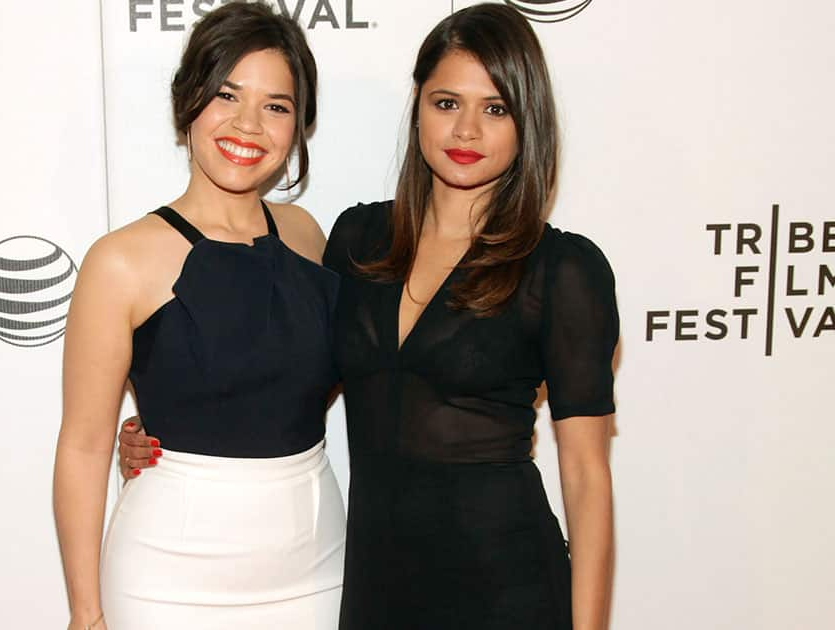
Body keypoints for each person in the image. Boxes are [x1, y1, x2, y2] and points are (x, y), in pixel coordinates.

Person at [120, 4, 617, 629]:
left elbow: (586, 474)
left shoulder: (562, 269)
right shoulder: (360, 240)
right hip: (374, 586)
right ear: (417, 105)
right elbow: (293, 374)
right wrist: (174, 417)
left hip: (506, 584)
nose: (466, 131)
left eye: (495, 108)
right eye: (446, 103)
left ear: (527, 121)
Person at [52, 4, 345, 630]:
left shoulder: (307, 237)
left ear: (298, 126)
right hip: (168, 577)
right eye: (226, 95)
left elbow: (313, 377)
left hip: (317, 566)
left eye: (277, 105)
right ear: (188, 103)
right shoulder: (120, 261)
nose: (249, 124)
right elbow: (82, 444)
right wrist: (84, 613)